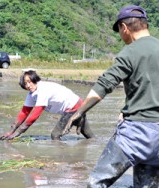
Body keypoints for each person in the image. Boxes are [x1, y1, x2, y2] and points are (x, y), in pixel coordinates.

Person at [63, 5, 159, 187]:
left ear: (124, 27)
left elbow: (105, 84)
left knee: (97, 182)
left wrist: (80, 112)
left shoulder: (130, 52)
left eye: (119, 32)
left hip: (136, 136)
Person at [0, 70, 94, 140]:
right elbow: (24, 113)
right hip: (77, 104)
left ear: (35, 79)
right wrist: (10, 131)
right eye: (25, 83)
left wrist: (18, 133)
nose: (28, 85)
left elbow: (34, 116)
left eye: (29, 81)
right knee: (90, 136)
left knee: (55, 135)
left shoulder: (42, 90)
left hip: (74, 107)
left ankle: (62, 160)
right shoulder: (31, 94)